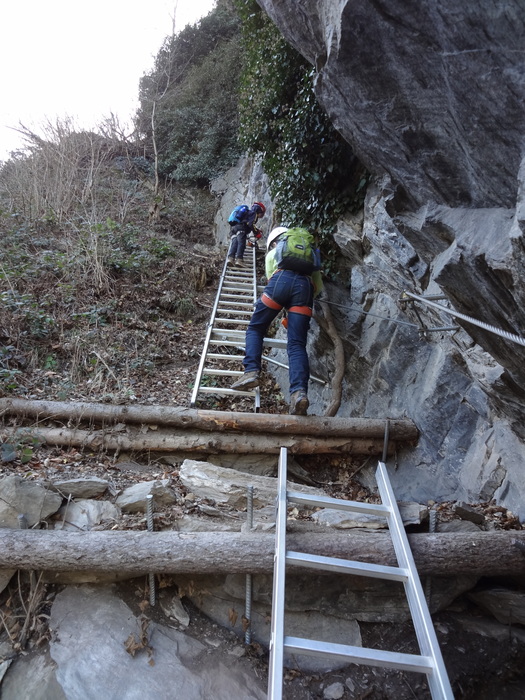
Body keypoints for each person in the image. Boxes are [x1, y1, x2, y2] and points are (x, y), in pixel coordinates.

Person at [231, 226, 323, 415]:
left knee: (256, 328)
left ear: (275, 241)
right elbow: (318, 287)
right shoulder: (309, 255)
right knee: (297, 344)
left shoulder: (275, 251)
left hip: (279, 282)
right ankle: (299, 394)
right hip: (305, 289)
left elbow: (270, 274)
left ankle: (251, 372)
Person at [227, 201, 266, 266]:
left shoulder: (247, 213)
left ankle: (231, 259)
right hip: (241, 229)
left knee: (235, 242)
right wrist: (257, 233)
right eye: (262, 214)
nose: (261, 216)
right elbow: (251, 224)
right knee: (241, 243)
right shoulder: (254, 214)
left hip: (233, 228)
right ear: (259, 211)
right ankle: (239, 260)